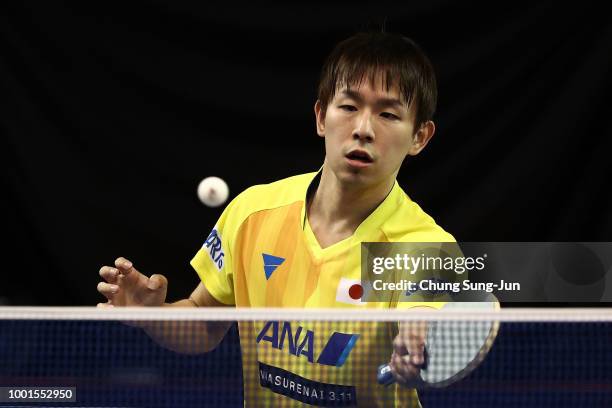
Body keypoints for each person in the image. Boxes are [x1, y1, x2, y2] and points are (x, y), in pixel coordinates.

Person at [97, 31, 455, 407]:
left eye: (387, 114)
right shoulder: (255, 212)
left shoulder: (420, 243)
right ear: (321, 116)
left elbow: (427, 317)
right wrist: (157, 317)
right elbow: (204, 320)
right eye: (349, 107)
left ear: (419, 137)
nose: (363, 129)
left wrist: (419, 337)